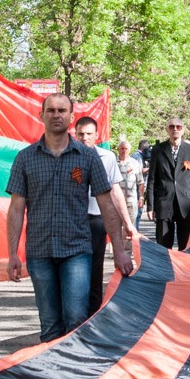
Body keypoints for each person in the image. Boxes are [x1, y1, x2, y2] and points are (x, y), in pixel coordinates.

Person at [6, 93, 134, 341]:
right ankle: (53, 365)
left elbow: (106, 204)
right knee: (50, 324)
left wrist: (119, 250)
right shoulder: (25, 158)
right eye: (51, 110)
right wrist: (13, 254)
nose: (56, 115)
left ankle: (76, 365)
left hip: (76, 251)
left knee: (76, 318)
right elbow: (16, 208)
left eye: (62, 110)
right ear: (41, 115)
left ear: (71, 117)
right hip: (39, 252)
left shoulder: (88, 157)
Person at [73, 116, 134, 315]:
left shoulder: (106, 157)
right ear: (75, 134)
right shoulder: (67, 156)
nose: (84, 138)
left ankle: (92, 316)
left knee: (94, 271)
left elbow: (115, 191)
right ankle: (73, 317)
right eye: (81, 134)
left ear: (97, 135)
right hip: (73, 221)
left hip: (96, 221)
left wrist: (127, 222)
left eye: (89, 134)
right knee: (73, 270)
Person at [145, 117, 190, 249]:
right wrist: (150, 206)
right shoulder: (158, 150)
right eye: (172, 126)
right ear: (167, 129)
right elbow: (152, 180)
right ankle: (166, 263)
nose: (175, 129)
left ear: (183, 130)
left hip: (186, 204)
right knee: (163, 246)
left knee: (186, 246)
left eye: (178, 127)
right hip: (164, 203)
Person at [116, 137, 145, 228]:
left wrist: (141, 197)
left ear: (130, 150)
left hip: (131, 201)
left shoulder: (135, 163)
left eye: (126, 149)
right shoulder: (113, 163)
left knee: (130, 227)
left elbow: (140, 182)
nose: (124, 151)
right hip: (116, 202)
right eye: (122, 148)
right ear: (118, 149)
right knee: (116, 228)